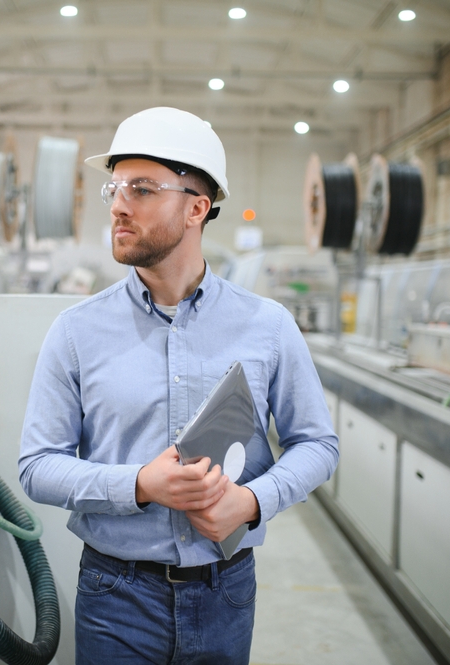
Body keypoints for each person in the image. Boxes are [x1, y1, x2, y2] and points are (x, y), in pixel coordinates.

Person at [18, 107, 339, 665]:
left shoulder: (267, 326)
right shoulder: (76, 331)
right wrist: (140, 483)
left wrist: (251, 501)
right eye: (115, 188)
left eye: (141, 189)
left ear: (197, 207)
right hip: (115, 594)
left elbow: (318, 444)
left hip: (226, 592)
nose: (118, 204)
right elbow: (36, 465)